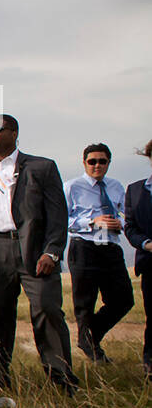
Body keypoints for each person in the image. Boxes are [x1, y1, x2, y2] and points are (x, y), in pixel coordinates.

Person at [0, 114, 77, 394]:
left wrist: (53, 252)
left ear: (14, 132)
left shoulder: (42, 167)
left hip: (35, 251)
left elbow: (58, 215)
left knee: (47, 309)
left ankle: (61, 378)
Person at [63, 143, 133, 364]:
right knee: (85, 302)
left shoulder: (115, 186)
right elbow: (61, 219)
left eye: (102, 161)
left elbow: (126, 214)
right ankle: (95, 353)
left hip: (111, 247)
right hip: (85, 246)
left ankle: (88, 337)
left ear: (108, 163)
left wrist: (118, 223)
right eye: (92, 161)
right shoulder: (72, 187)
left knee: (123, 300)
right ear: (84, 163)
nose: (97, 165)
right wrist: (92, 221)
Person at [124, 138, 152, 381]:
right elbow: (130, 227)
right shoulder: (135, 189)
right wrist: (146, 243)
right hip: (150, 262)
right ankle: (150, 366)